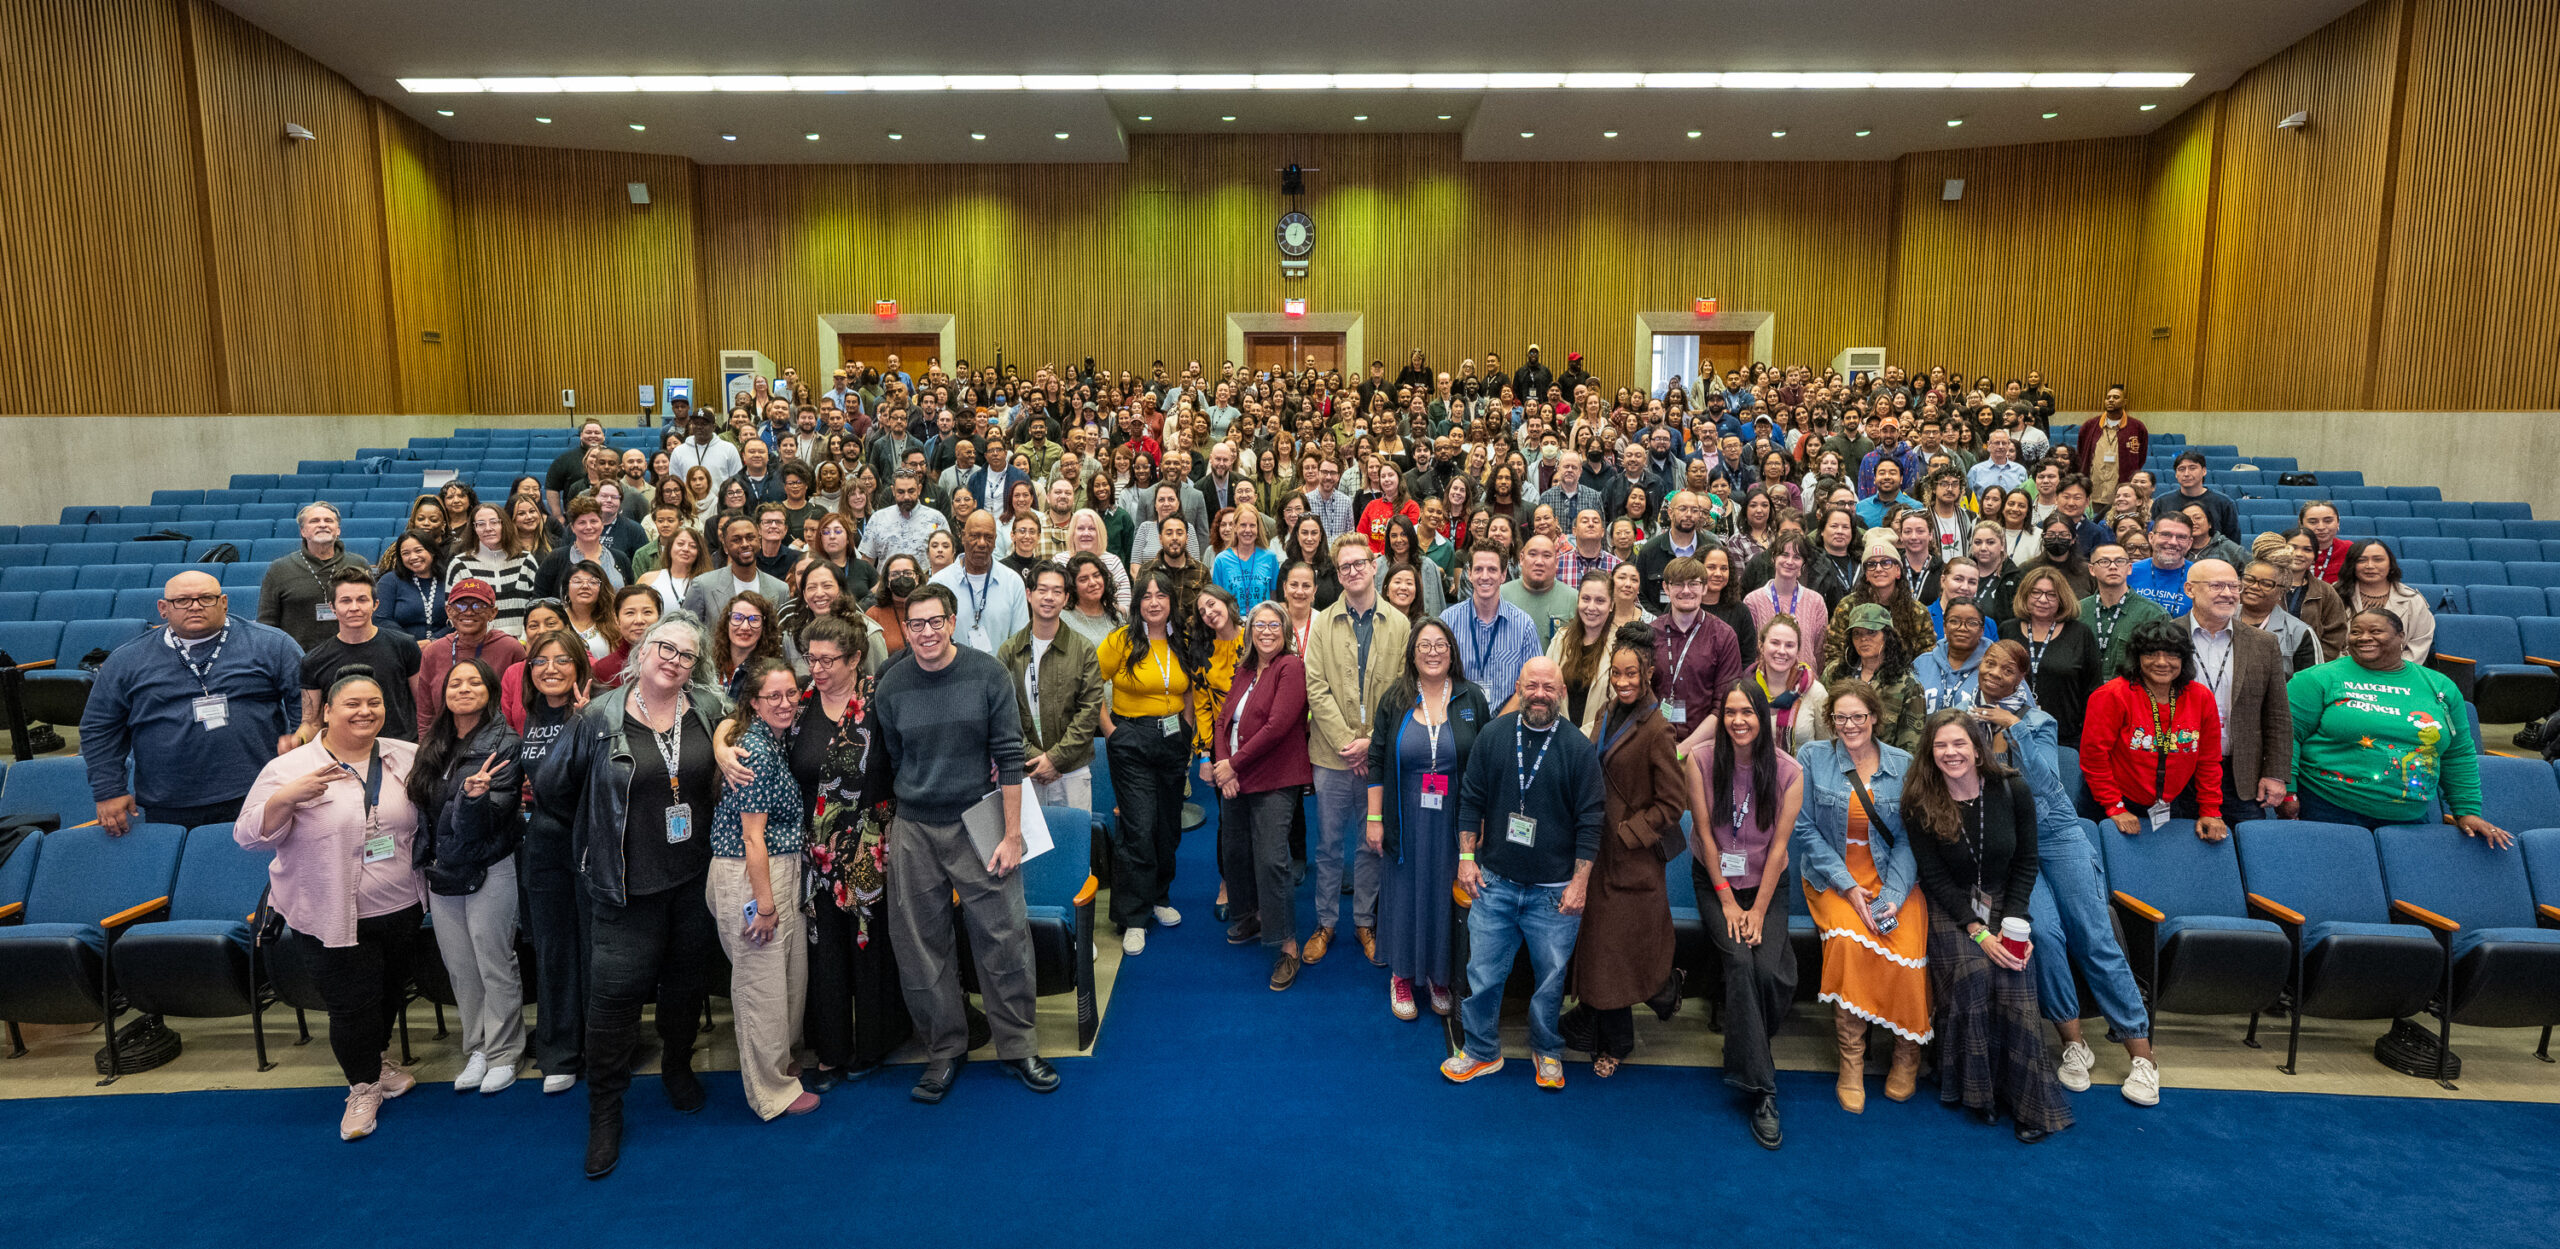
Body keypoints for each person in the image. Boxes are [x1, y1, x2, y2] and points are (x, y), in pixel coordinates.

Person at [534, 613, 730, 1180]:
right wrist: (596, 839)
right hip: (623, 891)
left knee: (685, 986)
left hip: (694, 883)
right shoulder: (598, 716)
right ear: (641, 651)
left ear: (697, 666)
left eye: (687, 655)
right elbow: (552, 790)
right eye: (664, 647)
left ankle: (676, 1066)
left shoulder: (712, 710)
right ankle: (605, 1111)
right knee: (613, 1005)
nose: (673, 659)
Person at [870, 583, 1058, 1103]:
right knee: (920, 947)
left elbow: (1011, 755)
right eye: (915, 625)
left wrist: (1013, 833)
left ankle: (1018, 1046)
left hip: (980, 819)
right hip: (913, 826)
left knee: (1004, 937)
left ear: (951, 622)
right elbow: (889, 762)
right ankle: (945, 1050)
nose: (925, 633)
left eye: (935, 622)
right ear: (904, 629)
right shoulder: (890, 684)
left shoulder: (987, 674)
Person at [234, 668, 425, 1140]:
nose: (365, 712)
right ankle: (361, 1087)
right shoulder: (289, 768)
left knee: (388, 994)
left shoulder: (408, 756)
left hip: (400, 905)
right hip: (328, 910)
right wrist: (285, 799)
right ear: (327, 712)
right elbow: (248, 837)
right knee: (351, 1005)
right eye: (353, 704)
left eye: (374, 703)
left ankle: (375, 1062)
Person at [1974, 641, 2160, 1106]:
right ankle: (2073, 1044)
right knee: (2046, 937)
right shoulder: (1967, 721)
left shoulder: (2037, 721)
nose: (1994, 673)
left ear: (2021, 678)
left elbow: (2041, 781)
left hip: (2057, 834)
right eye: (1989, 664)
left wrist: (2012, 726)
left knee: (2093, 934)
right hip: (2013, 846)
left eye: (2006, 668)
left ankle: (2142, 1053)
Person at [1901, 710, 2072, 1143]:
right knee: (1976, 973)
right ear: (1929, 751)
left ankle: (2027, 1100)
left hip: (2004, 898)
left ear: (1977, 749)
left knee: (2015, 974)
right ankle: (1977, 1091)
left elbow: (2026, 863)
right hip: (1952, 905)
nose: (1950, 753)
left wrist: (2016, 927)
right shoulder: (1919, 797)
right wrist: (1977, 930)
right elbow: (1934, 877)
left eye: (1959, 744)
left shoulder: (2012, 788)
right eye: (1940, 745)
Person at [1441, 658, 1605, 1091]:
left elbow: (1591, 820)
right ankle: (1480, 1051)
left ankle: (1547, 1048)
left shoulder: (1577, 748)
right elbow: (1470, 800)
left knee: (1551, 980)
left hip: (1554, 893)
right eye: (1531, 685)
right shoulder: (1494, 735)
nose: (1539, 694)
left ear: (1562, 692)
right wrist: (1465, 858)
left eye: (1548, 687)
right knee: (1483, 974)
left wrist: (1580, 882)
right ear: (1518, 687)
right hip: (1494, 881)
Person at [1790, 679, 1930, 1113]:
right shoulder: (1812, 757)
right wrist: (1848, 888)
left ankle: (1907, 1055)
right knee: (1849, 943)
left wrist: (1891, 895)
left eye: (1858, 716)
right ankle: (1851, 1062)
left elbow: (1910, 838)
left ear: (1875, 719)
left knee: (1908, 948)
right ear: (1830, 720)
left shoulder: (1904, 764)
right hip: (1833, 879)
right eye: (1841, 717)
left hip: (1893, 877)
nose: (1849, 725)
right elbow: (1804, 829)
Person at [1678, 681, 1804, 1148]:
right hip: (1716, 882)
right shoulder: (1702, 761)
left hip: (1768, 884)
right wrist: (1729, 902)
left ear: (1762, 717)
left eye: (1747, 712)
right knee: (1738, 959)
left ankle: (1742, 1034)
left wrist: (1758, 909)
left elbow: (1777, 851)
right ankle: (1763, 1089)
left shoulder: (1790, 771)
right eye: (1730, 712)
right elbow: (1708, 840)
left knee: (1769, 972)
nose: (1738, 721)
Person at [79, 571, 301, 833]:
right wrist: (108, 790)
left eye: (206, 598)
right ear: (163, 608)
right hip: (169, 801)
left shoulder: (272, 645)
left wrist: (299, 762)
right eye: (182, 600)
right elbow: (100, 727)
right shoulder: (126, 660)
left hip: (257, 791)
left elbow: (307, 706)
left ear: (224, 602)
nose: (195, 606)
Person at [1558, 624, 1685, 1078]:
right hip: (1596, 852)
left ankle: (1620, 1043)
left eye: (1632, 673)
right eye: (1617, 673)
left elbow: (1674, 802)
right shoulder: (1607, 712)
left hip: (1631, 859)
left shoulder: (1658, 728)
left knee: (1610, 953)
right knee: (1599, 950)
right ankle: (1605, 1020)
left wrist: (1630, 833)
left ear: (1648, 673)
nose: (1624, 681)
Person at [708, 660, 821, 1121]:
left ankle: (781, 1064)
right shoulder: (752, 750)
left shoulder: (772, 737)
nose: (785, 703)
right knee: (761, 986)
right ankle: (770, 1091)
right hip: (751, 874)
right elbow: (752, 837)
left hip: (778, 867)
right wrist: (767, 904)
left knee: (785, 979)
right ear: (753, 702)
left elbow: (728, 721)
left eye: (791, 693)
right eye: (772, 696)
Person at [2286, 608, 2506, 844]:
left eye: (2375, 631)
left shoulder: (2439, 686)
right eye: (2356, 632)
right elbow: (2287, 736)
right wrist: (2288, 793)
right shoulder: (2317, 678)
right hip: (2328, 807)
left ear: (2401, 636)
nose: (2363, 637)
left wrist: (2468, 811)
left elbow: (2458, 754)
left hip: (2410, 817)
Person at [408, 657, 526, 1096]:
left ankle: (504, 1052)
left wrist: (474, 799)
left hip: (487, 866)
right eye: (455, 682)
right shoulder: (433, 742)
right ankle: (477, 1047)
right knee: (461, 969)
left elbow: (494, 815)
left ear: (489, 691)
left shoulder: (504, 743)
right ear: (443, 694)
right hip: (442, 870)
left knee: (495, 963)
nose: (463, 689)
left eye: (474, 682)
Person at [1367, 617, 1489, 1019]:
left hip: (1454, 819)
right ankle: (1402, 974)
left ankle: (1439, 976)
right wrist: (1374, 818)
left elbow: (1485, 763)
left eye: (1440, 645)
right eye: (1424, 646)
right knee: (1405, 893)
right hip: (1405, 818)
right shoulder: (1396, 697)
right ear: (1412, 654)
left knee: (1442, 893)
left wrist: (1481, 820)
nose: (1433, 652)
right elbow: (1376, 758)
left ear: (1451, 652)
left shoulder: (1472, 698)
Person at [1301, 534, 1413, 967]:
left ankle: (1365, 922)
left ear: (1374, 565)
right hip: (1332, 757)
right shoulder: (1322, 624)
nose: (1352, 571)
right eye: (1344, 566)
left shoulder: (1400, 624)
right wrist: (1350, 743)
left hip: (1380, 759)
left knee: (1371, 845)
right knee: (1329, 846)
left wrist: (1373, 743)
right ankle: (1326, 922)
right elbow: (1316, 688)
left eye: (1359, 563)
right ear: (1338, 573)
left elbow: (1404, 690)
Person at [501, 629, 593, 1093]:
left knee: (594, 950)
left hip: (589, 846)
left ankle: (598, 1047)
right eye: (540, 662)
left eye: (562, 660)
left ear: (580, 666)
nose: (551, 668)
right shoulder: (531, 716)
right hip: (543, 845)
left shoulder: (598, 714)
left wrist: (582, 721)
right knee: (554, 951)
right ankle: (558, 1050)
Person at [1096, 570, 1201, 956]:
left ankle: (1159, 896)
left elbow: (1189, 689)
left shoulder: (1182, 642)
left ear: (1172, 601)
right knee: (1139, 827)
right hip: (1131, 740)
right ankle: (1134, 917)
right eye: (1147, 595)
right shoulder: (1121, 641)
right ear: (1137, 601)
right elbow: (1091, 683)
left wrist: (1187, 729)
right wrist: (1110, 731)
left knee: (1167, 826)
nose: (1154, 602)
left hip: (1173, 739)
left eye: (1162, 595)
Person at [1212, 601, 1314, 985]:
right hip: (1235, 777)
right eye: (1260, 624)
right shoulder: (1244, 669)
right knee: (1235, 851)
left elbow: (1277, 726)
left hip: (1274, 776)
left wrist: (1232, 765)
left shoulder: (1290, 667)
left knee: (1272, 860)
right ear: (1250, 630)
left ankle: (1287, 945)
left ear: (1285, 630)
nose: (1267, 631)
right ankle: (1252, 916)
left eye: (1275, 625)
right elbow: (1224, 720)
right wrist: (1226, 769)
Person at [2080, 620, 2228, 841]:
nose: (2161, 662)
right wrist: (2115, 807)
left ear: (2184, 659)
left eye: (2172, 655)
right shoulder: (2111, 695)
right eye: (2151, 654)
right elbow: (2094, 758)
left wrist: (2210, 810)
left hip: (2172, 803)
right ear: (2137, 657)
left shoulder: (2201, 697)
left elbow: (2208, 760)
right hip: (2111, 804)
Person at [2181, 559, 2293, 824]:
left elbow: (2277, 715)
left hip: (2240, 774)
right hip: (2178, 770)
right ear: (2189, 589)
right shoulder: (2167, 635)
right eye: (2217, 585)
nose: (2229, 593)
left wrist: (2276, 774)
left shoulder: (2263, 643)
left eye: (2234, 586)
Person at [998, 562, 1108, 812]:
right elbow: (1003, 716)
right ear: (1029, 594)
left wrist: (1055, 759)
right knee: (1028, 849)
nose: (1049, 597)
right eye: (1042, 590)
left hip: (1072, 771)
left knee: (1073, 847)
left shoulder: (1083, 649)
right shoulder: (1009, 651)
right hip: (1024, 771)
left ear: (1067, 598)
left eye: (1057, 591)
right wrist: (1034, 759)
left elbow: (1089, 712)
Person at [1998, 566, 2104, 746]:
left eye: (2051, 594)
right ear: (2025, 594)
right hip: (2012, 733)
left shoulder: (2080, 633)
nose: (2042, 599)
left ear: (2062, 598)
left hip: (2066, 737)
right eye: (2036, 592)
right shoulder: (2007, 629)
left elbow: (2093, 690)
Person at [260, 502, 378, 651]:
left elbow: (373, 612)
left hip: (353, 652)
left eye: (328, 520)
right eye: (315, 521)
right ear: (303, 531)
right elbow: (267, 622)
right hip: (298, 657)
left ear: (338, 530)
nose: (322, 525)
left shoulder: (358, 563)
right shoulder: (279, 569)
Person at [1822, 602, 1926, 754]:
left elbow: (1911, 748)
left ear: (1887, 636)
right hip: (1836, 761)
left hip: (1885, 768)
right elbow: (1822, 725)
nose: (1863, 639)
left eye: (1871, 632)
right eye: (1857, 633)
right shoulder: (1834, 672)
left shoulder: (1907, 684)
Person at [934, 511, 1029, 654]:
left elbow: (1019, 642)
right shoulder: (939, 584)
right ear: (962, 536)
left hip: (999, 674)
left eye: (988, 537)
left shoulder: (1013, 583)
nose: (982, 543)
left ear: (995, 540)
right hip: (953, 674)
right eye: (974, 536)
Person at [2339, 538, 2435, 664]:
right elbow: (2326, 643)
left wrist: (2390, 672)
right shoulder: (2334, 595)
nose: (2370, 566)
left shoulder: (2412, 600)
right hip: (2343, 671)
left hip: (2396, 675)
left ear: (2390, 564)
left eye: (2378, 560)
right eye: (2362, 560)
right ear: (2352, 565)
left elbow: (2418, 645)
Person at [683, 517, 792, 624]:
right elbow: (686, 631)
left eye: (750, 538)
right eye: (736, 540)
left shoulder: (780, 589)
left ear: (759, 541)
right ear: (725, 547)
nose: (745, 544)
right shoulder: (703, 585)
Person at [1548, 574, 1619, 734]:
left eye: (1600, 600)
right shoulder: (1560, 639)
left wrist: (1581, 738)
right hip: (1557, 738)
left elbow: (1619, 707)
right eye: (1585, 599)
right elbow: (1547, 689)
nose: (1591, 607)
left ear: (1611, 605)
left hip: (1599, 743)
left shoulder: (1620, 646)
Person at [1744, 534, 1829, 665]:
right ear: (1773, 558)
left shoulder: (1816, 602)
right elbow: (1750, 651)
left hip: (1805, 681)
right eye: (1784, 555)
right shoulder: (1753, 601)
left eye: (1797, 557)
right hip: (1765, 682)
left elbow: (1819, 651)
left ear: (1803, 564)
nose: (1789, 562)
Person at [1913, 598, 1991, 713]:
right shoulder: (1922, 663)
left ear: (1982, 631)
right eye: (1954, 621)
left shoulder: (1995, 667)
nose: (1962, 628)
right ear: (1944, 626)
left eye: (1972, 623)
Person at [377, 533, 450, 640]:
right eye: (405, 553)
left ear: (432, 551)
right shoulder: (389, 581)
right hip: (401, 646)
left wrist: (434, 641)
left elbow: (458, 618)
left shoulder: (450, 579)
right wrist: (410, 642)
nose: (413, 557)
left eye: (418, 550)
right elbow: (381, 619)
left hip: (444, 644)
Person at [2124, 512, 2196, 617]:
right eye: (2166, 535)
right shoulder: (2128, 572)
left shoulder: (2200, 576)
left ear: (2189, 543)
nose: (2173, 542)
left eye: (2181, 537)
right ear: (2151, 538)